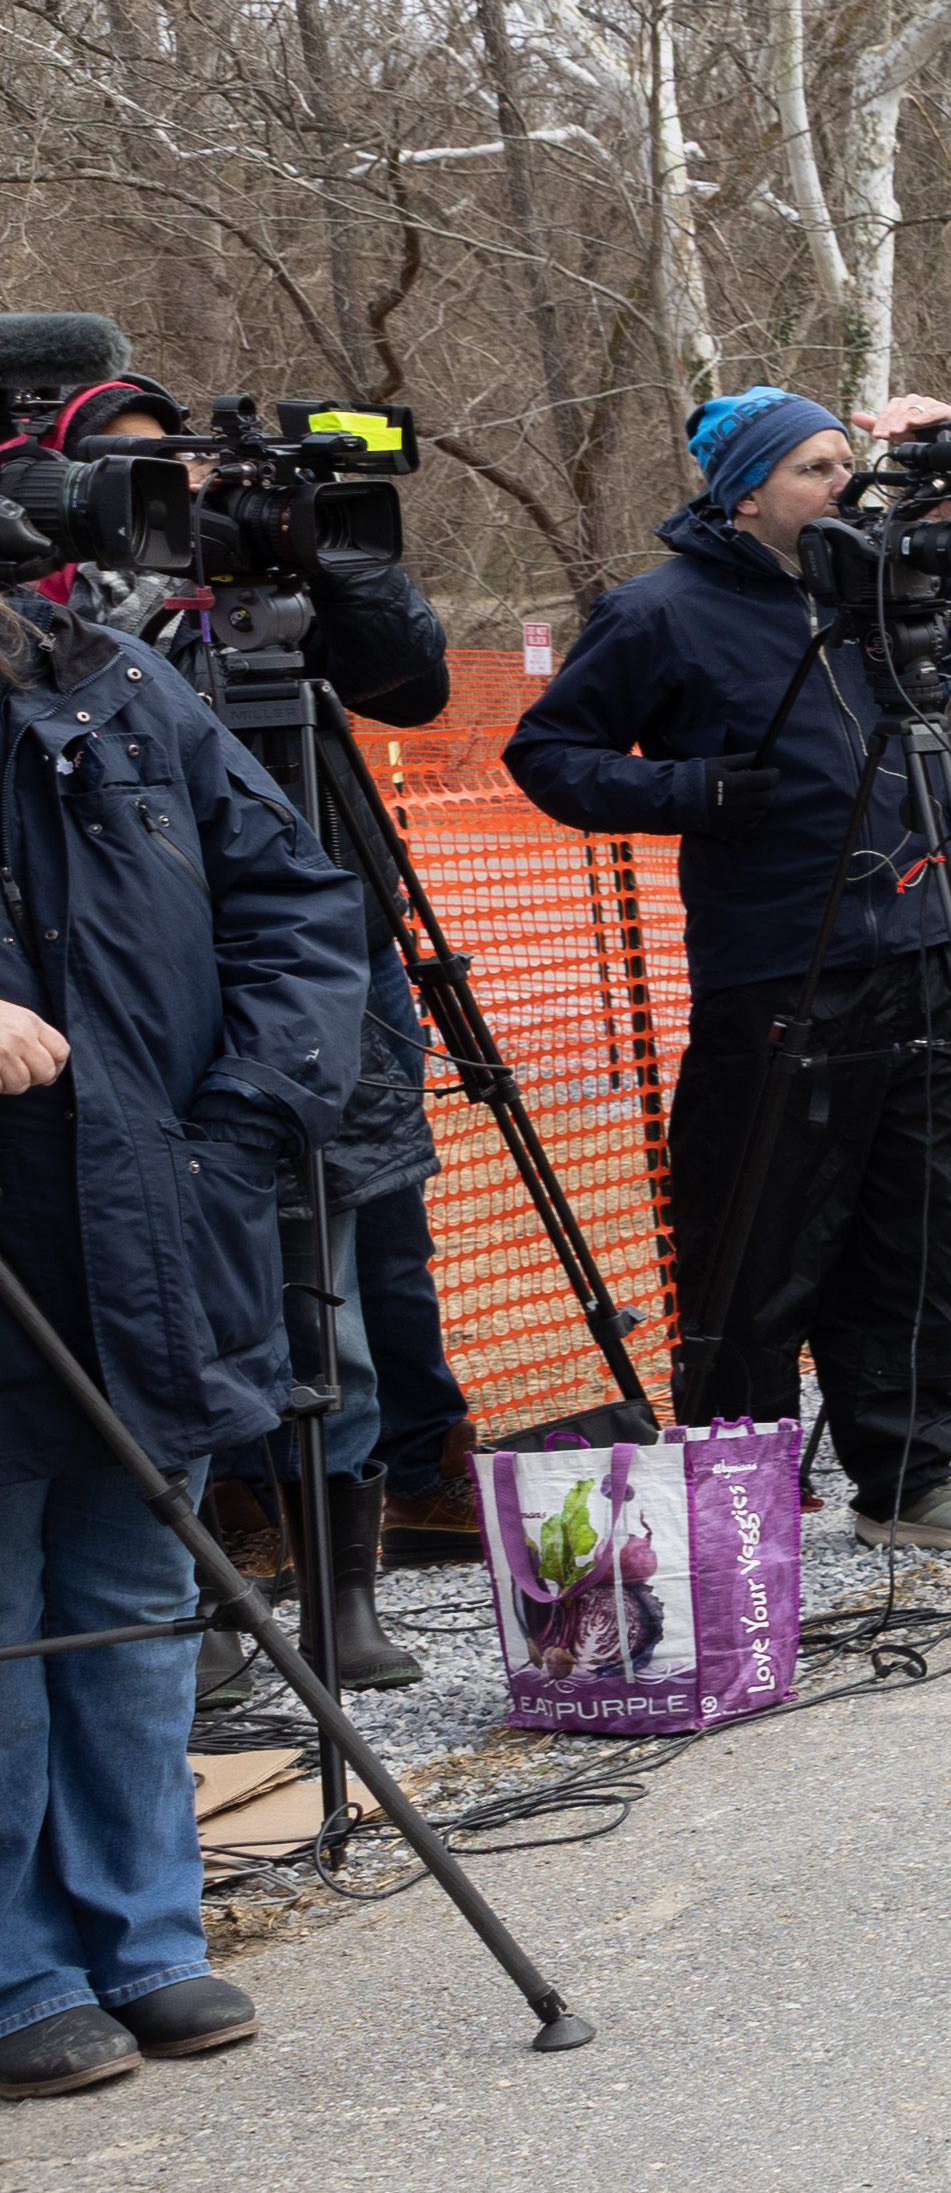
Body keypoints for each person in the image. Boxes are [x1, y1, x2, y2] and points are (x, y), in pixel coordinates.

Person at [510, 385, 951, 1554]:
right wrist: (689, 792)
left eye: (843, 463)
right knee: (760, 1244)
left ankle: (909, 1479)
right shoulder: (660, 612)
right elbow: (548, 753)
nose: (842, 487)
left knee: (916, 1232)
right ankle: (742, 1496)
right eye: (815, 470)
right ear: (746, 494)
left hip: (929, 949)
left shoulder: (885, 585)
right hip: (779, 969)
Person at [18, 358, 465, 1694]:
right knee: (189, 1302)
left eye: (192, 463)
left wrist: (335, 551)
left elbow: (410, 688)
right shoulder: (68, 638)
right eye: (146, 472)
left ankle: (343, 1588)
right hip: (141, 1006)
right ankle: (221, 1592)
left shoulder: (256, 594)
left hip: (306, 991)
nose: (185, 492)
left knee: (348, 1289)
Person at [0, 559, 360, 2092]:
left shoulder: (127, 690)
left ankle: (146, 1930)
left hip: (159, 1217)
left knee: (139, 1598)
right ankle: (19, 1966)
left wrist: (239, 1120)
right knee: (6, 1625)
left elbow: (300, 907)